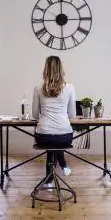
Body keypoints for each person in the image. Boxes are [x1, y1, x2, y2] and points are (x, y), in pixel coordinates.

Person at [32, 55, 76, 189]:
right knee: (56, 141)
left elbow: (34, 115)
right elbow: (72, 115)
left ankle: (49, 180)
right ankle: (63, 165)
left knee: (51, 144)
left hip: (43, 136)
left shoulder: (38, 88)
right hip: (65, 136)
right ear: (61, 69)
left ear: (45, 69)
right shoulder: (69, 87)